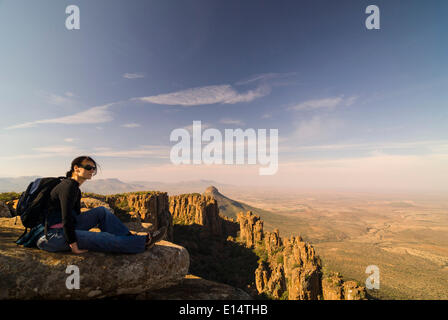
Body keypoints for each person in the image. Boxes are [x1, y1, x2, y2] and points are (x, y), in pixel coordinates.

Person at [36, 156, 166, 254]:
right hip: (52, 236)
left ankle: (128, 238)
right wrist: (74, 245)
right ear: (76, 168)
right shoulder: (68, 187)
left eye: (93, 168)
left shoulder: (75, 188)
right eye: (88, 167)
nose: (92, 171)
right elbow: (67, 220)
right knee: (104, 238)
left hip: (62, 229)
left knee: (101, 211)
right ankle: (144, 242)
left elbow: (75, 216)